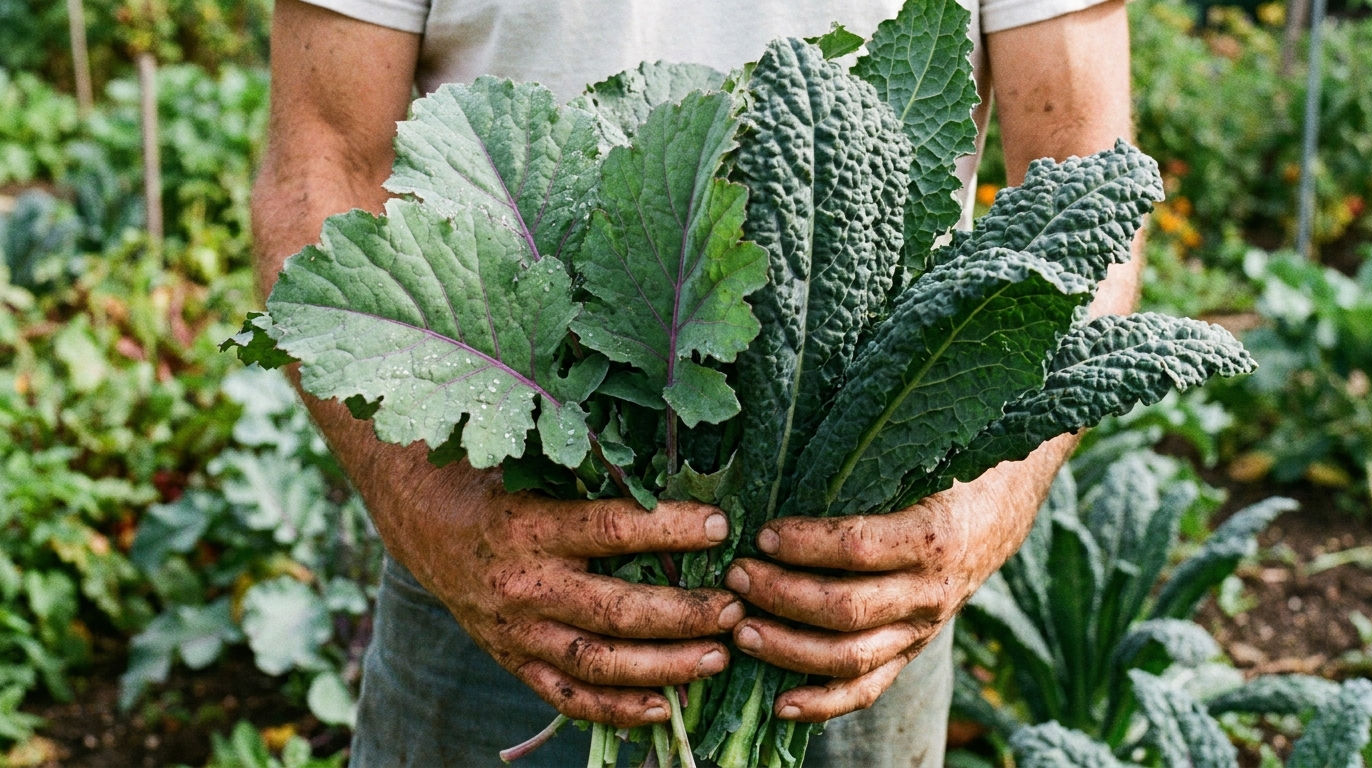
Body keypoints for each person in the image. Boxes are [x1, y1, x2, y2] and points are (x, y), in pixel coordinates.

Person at [252, 0, 1143, 763]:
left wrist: (975, 503)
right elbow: (320, 161)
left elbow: (1080, 157)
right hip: (499, 569)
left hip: (853, 607)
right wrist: (434, 508)